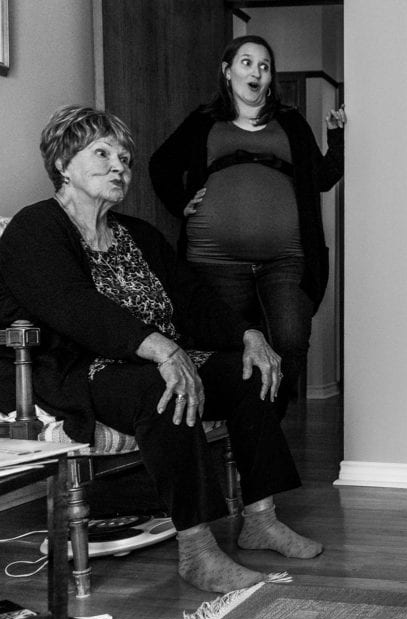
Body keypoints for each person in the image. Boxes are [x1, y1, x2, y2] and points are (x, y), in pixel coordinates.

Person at [0, 105, 322, 594]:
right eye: (102, 153)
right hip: (82, 371)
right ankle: (198, 551)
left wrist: (248, 336)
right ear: (63, 164)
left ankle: (261, 518)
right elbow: (72, 306)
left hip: (154, 358)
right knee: (163, 387)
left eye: (125, 159)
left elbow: (194, 299)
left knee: (250, 372)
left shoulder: (139, 234)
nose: (119, 166)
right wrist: (162, 350)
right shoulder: (34, 229)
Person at [150, 35, 344, 411]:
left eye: (264, 66)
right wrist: (181, 204)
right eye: (247, 62)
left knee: (289, 340)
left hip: (286, 258)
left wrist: (337, 141)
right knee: (222, 344)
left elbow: (320, 178)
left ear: (270, 79)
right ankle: (234, 427)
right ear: (227, 71)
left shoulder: (290, 122)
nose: (256, 71)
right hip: (213, 261)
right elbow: (161, 165)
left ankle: (269, 419)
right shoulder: (204, 121)